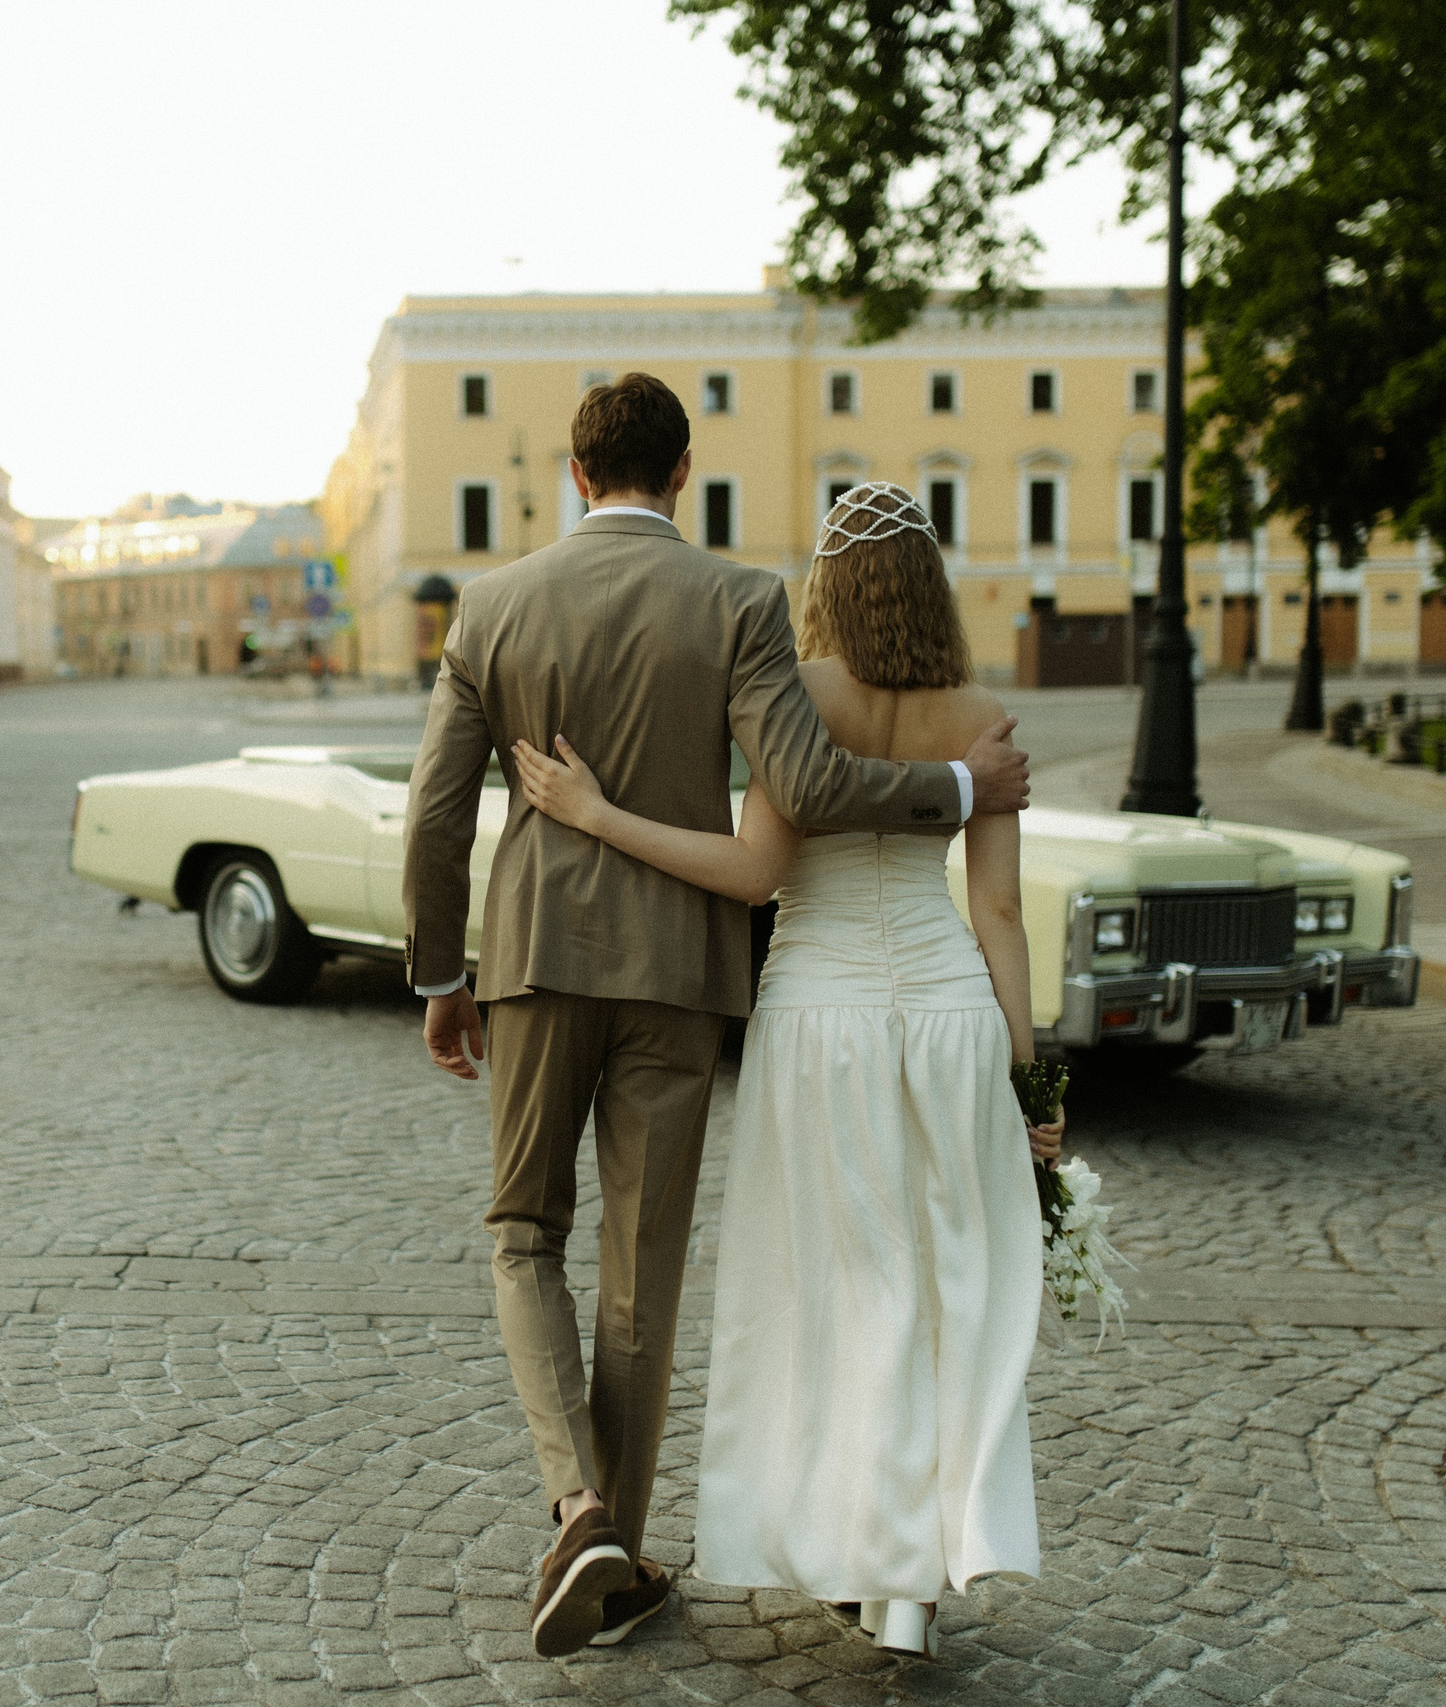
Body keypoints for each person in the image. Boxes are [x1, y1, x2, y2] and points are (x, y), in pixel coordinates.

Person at [401, 378, 1032, 1659]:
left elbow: (431, 811)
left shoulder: (491, 605)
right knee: (639, 1279)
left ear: (575, 476)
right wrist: (963, 783)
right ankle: (617, 1552)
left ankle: (579, 1509)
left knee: (524, 1234)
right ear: (681, 471)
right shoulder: (739, 600)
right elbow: (804, 783)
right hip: (681, 974)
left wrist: (437, 978)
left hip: (530, 960)